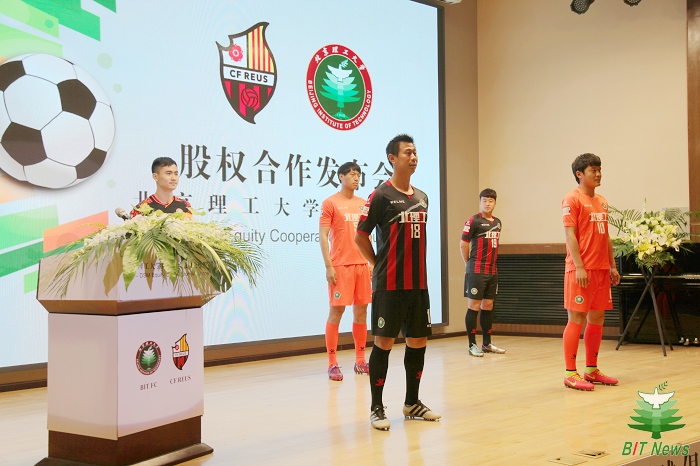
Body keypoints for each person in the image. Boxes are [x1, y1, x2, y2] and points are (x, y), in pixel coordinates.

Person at [355, 134, 441, 431]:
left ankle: (412, 402)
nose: (413, 157)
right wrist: (377, 263)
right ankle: (377, 408)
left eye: (415, 152)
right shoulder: (380, 195)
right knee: (384, 342)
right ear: (392, 158)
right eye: (408, 152)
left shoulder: (422, 197)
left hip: (418, 284)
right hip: (389, 284)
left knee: (418, 341)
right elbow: (360, 236)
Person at [561, 153, 620, 391]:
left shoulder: (602, 201)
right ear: (579, 174)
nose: (598, 174)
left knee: (597, 318)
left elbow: (606, 236)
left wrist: (612, 265)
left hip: (601, 269)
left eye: (599, 170)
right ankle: (570, 373)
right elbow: (570, 235)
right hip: (580, 270)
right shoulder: (571, 199)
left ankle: (591, 370)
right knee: (576, 319)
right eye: (593, 170)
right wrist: (580, 266)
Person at [319, 162, 372, 381]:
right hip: (340, 266)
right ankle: (332, 363)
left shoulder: (363, 203)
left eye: (358, 174)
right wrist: (328, 266)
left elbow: (366, 235)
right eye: (352, 174)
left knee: (361, 312)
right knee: (337, 312)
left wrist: (371, 262)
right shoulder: (330, 203)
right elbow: (323, 236)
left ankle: (360, 361)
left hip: (361, 265)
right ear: (341, 176)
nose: (356, 178)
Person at [460, 188, 505, 357]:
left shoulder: (497, 223)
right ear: (480, 203)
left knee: (488, 305)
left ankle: (487, 343)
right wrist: (468, 265)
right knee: (474, 306)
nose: (487, 203)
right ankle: (472, 344)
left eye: (490, 201)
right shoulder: (473, 221)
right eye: (484, 200)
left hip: (492, 270)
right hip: (476, 270)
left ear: (495, 203)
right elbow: (463, 244)